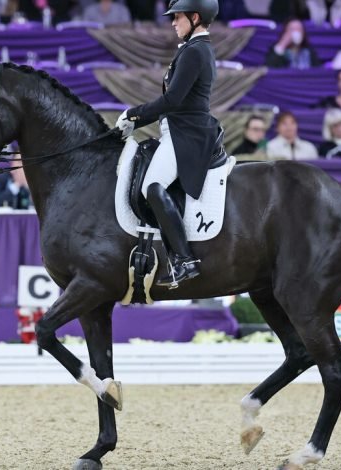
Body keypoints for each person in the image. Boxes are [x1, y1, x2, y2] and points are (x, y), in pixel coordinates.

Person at [115, 0, 220, 288]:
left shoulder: (195, 51)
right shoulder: (194, 49)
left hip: (187, 134)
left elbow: (172, 100)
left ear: (195, 17)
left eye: (177, 17)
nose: (173, 23)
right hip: (180, 130)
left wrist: (133, 115)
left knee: (152, 186)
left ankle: (184, 259)